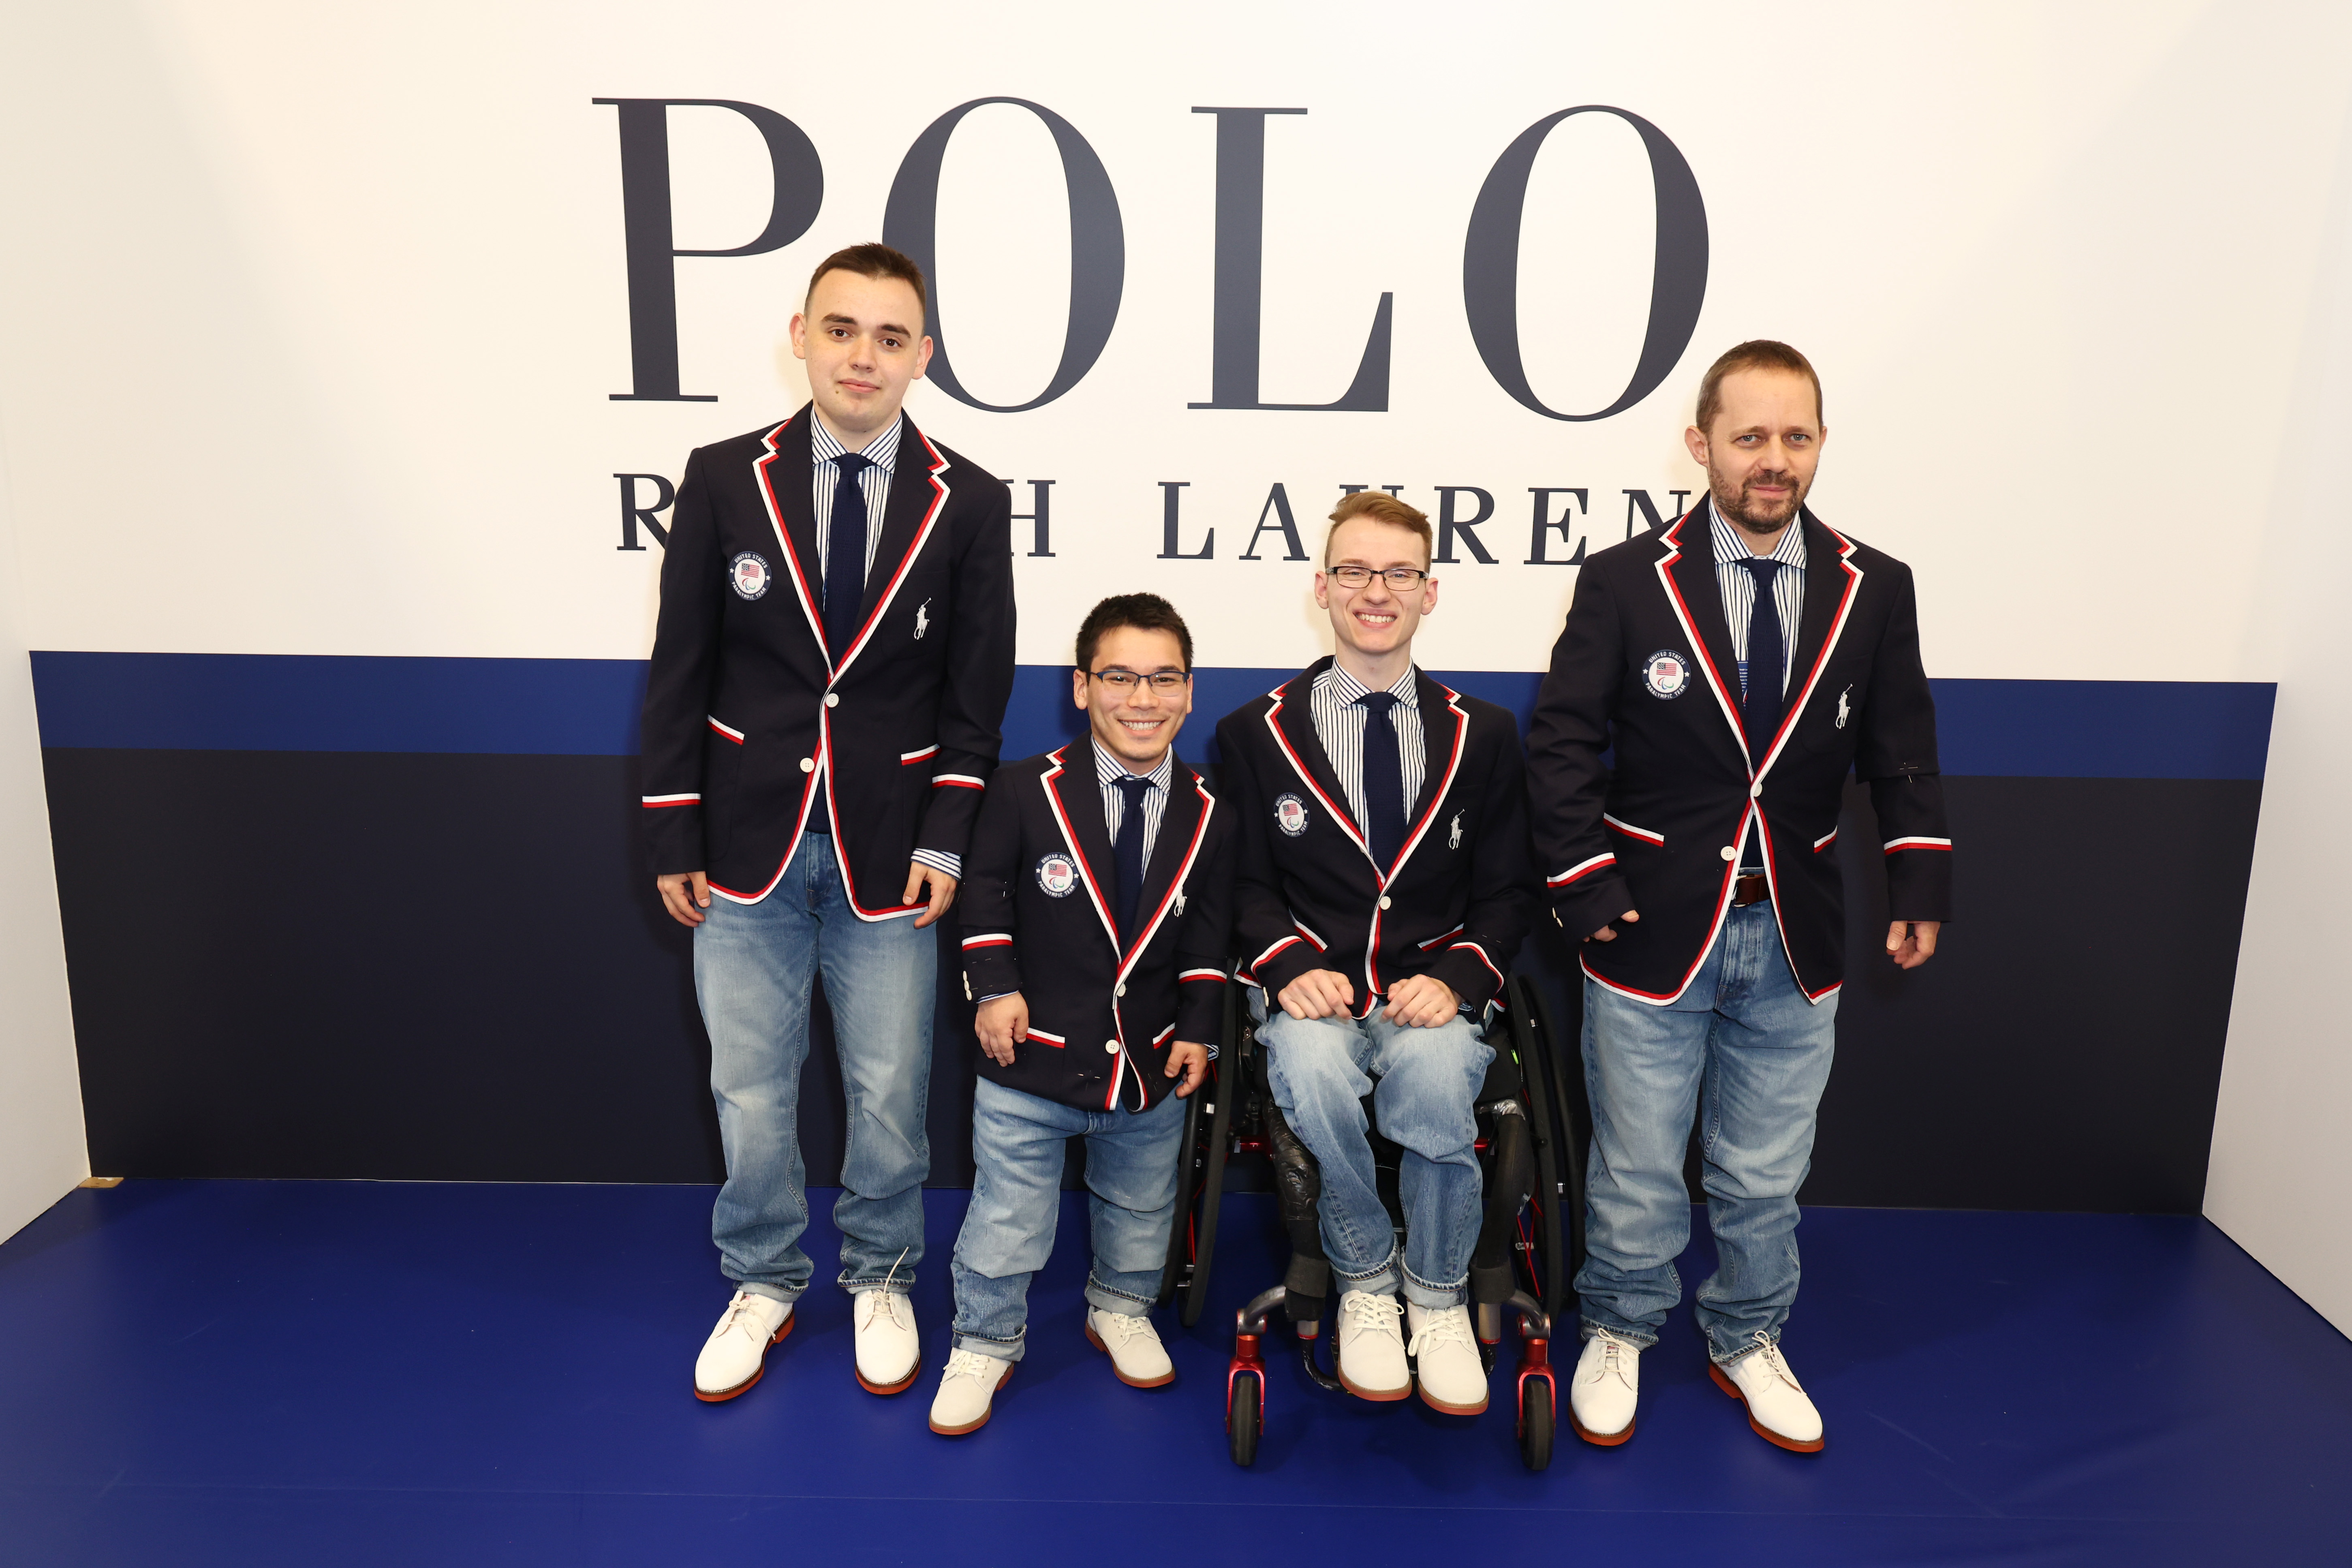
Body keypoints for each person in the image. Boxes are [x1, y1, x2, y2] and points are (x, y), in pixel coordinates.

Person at [1526, 340, 1950, 1454]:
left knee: (1766, 1170)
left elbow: (1901, 754)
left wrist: (1918, 877)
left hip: (1796, 926)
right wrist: (1585, 887)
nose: (1773, 460)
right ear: (1700, 443)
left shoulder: (1874, 585)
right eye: (1750, 436)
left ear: (1818, 444)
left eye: (1795, 436)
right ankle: (1618, 1327)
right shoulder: (1624, 579)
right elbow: (1562, 743)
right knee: (1633, 1156)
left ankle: (1748, 1334)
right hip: (1649, 926)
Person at [640, 242, 1015, 1404]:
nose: (864, 355)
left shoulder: (970, 500)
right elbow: (680, 671)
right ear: (800, 334)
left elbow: (974, 697)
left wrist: (946, 837)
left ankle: (883, 1270)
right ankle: (760, 1275)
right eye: (843, 329)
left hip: (891, 851)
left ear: (924, 357)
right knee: (749, 1085)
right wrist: (671, 831)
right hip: (745, 840)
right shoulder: (719, 479)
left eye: (890, 337)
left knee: (890, 1082)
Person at [1213, 492, 1539, 1417]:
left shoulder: (1485, 733)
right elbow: (1239, 884)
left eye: (1399, 573)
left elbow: (1509, 890)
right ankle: (1363, 1275)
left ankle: (1434, 1295)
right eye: (1354, 570)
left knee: (1438, 1078)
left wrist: (1458, 978)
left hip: (1428, 994)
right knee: (1310, 1069)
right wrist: (1282, 963)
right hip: (1312, 996)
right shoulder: (1253, 732)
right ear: (1321, 586)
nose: (1375, 591)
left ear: (1429, 593)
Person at [928, 594, 1236, 1435]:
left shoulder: (1212, 809)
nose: (1142, 698)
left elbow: (1209, 934)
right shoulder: (1024, 789)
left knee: (1140, 1208)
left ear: (1188, 691)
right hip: (1031, 1058)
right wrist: (993, 986)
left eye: (1163, 678)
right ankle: (986, 1339)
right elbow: (983, 893)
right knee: (1007, 1215)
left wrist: (1202, 1027)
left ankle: (1121, 1307)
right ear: (1081, 686)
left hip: (1150, 1066)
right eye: (1120, 677)